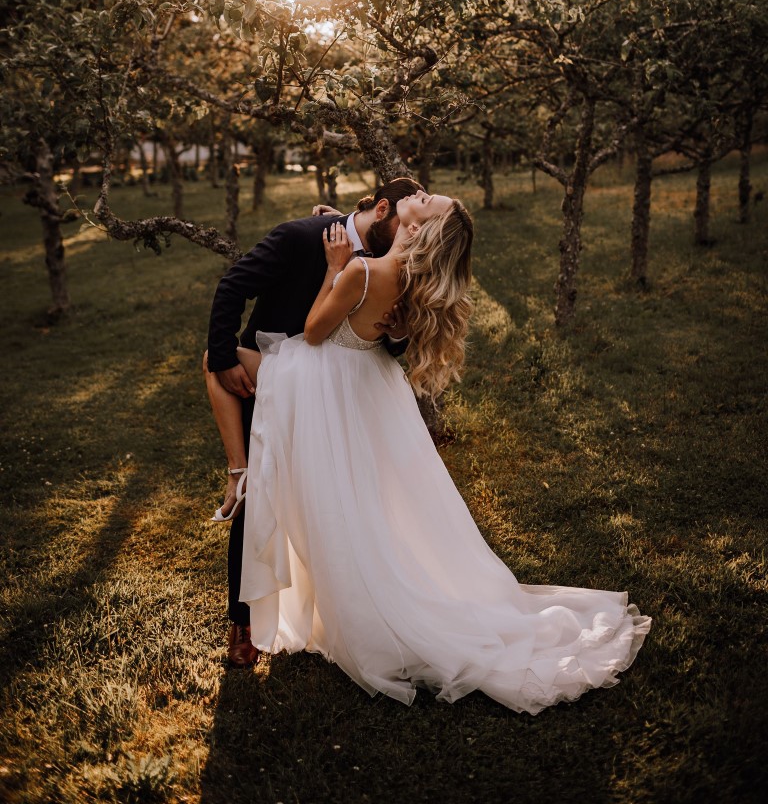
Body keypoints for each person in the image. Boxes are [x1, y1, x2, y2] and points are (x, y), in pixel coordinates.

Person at [218, 191, 651, 712]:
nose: (416, 195)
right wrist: (337, 225)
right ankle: (253, 492)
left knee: (213, 367)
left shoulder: (361, 272)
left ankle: (237, 471)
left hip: (320, 378)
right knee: (357, 502)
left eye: (426, 201)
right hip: (364, 387)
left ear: (421, 229)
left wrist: (336, 269)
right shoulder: (409, 282)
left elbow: (313, 333)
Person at [204, 176, 424, 666]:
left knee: (347, 497)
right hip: (275, 378)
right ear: (383, 208)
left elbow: (388, 342)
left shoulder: (397, 260)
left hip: (344, 395)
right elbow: (233, 286)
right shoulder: (302, 236)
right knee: (260, 491)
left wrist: (397, 331)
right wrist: (224, 358)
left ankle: (349, 609)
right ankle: (243, 627)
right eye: (405, 219)